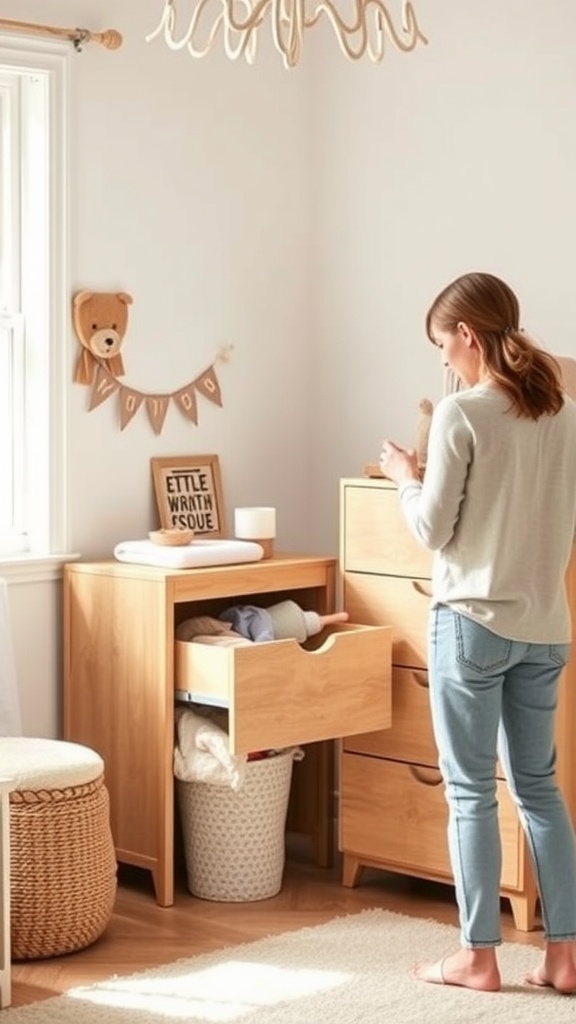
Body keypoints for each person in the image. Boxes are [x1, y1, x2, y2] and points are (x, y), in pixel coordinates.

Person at [379, 271, 576, 995]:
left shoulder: (462, 414)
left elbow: (434, 527)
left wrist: (404, 475)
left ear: (468, 334)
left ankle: (477, 957)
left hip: (471, 626)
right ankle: (565, 956)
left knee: (470, 792)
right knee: (540, 790)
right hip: (546, 628)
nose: (443, 362)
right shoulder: (566, 415)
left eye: (443, 345)